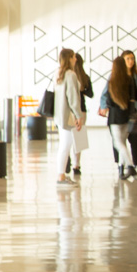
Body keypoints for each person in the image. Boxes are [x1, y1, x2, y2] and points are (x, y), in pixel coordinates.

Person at [100, 50, 137, 172]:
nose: (131, 61)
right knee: (120, 142)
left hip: (129, 114)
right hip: (119, 115)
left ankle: (133, 164)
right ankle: (123, 166)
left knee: (129, 140)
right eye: (128, 59)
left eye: (132, 58)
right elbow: (105, 94)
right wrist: (104, 107)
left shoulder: (135, 76)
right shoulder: (114, 77)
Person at [54, 49, 85, 187]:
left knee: (64, 145)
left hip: (59, 115)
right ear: (69, 58)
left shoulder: (58, 73)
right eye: (73, 57)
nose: (76, 59)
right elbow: (73, 98)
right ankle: (61, 176)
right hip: (68, 116)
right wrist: (79, 115)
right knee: (66, 146)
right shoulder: (70, 74)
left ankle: (62, 174)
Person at [67, 54, 94, 176]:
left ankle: (66, 159)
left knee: (68, 137)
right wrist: (82, 90)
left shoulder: (68, 76)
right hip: (81, 110)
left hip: (68, 110)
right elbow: (91, 94)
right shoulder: (85, 77)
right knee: (79, 138)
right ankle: (76, 165)